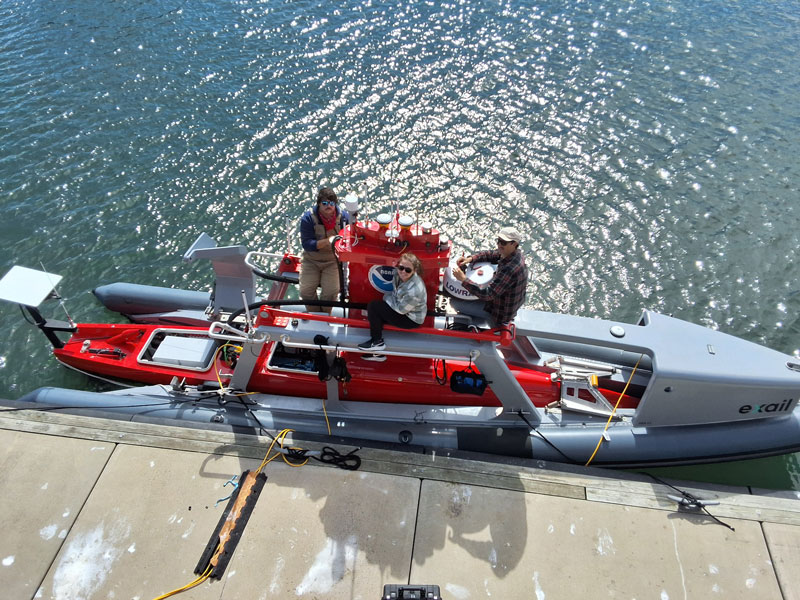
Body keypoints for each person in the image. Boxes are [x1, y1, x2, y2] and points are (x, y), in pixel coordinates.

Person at [451, 226, 528, 327]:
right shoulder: (514, 254)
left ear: (514, 244)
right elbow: (492, 254)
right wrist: (470, 259)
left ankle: (482, 322)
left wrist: (463, 279)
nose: (499, 245)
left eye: (504, 242)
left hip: (498, 313)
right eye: (499, 241)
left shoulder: (510, 269)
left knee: (454, 302)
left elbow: (488, 294)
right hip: (503, 303)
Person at [357, 253, 427, 360]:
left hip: (411, 319)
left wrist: (387, 298)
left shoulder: (414, 290)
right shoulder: (397, 274)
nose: (403, 272)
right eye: (401, 267)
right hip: (401, 308)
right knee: (377, 313)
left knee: (374, 307)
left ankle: (377, 343)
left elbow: (400, 310)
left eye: (408, 270)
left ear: (414, 271)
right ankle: (377, 354)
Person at [299, 187, 350, 313]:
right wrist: (328, 242)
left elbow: (351, 237)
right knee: (306, 291)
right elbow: (307, 244)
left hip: (333, 261)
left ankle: (325, 315)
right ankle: (315, 314)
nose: (329, 206)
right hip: (311, 260)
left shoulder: (344, 218)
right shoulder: (308, 219)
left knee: (331, 292)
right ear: (319, 204)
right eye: (325, 203)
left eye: (331, 203)